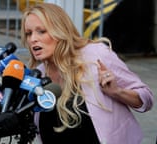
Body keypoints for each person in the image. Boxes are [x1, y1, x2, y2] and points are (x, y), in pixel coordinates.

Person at [20, 3, 154, 144]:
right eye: (28, 33)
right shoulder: (36, 76)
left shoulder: (96, 55)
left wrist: (117, 92)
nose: (33, 39)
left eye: (41, 31)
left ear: (60, 30)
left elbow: (146, 98)